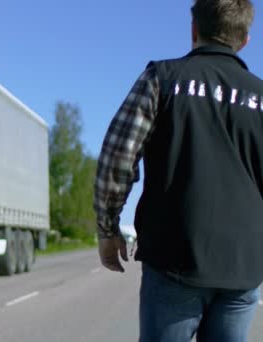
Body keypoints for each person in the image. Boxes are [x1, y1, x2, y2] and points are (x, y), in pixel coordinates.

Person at [94, 0, 263, 341]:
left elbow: (117, 156)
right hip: (243, 265)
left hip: (175, 257)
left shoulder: (162, 78)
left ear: (194, 29)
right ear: (245, 39)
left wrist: (107, 227)